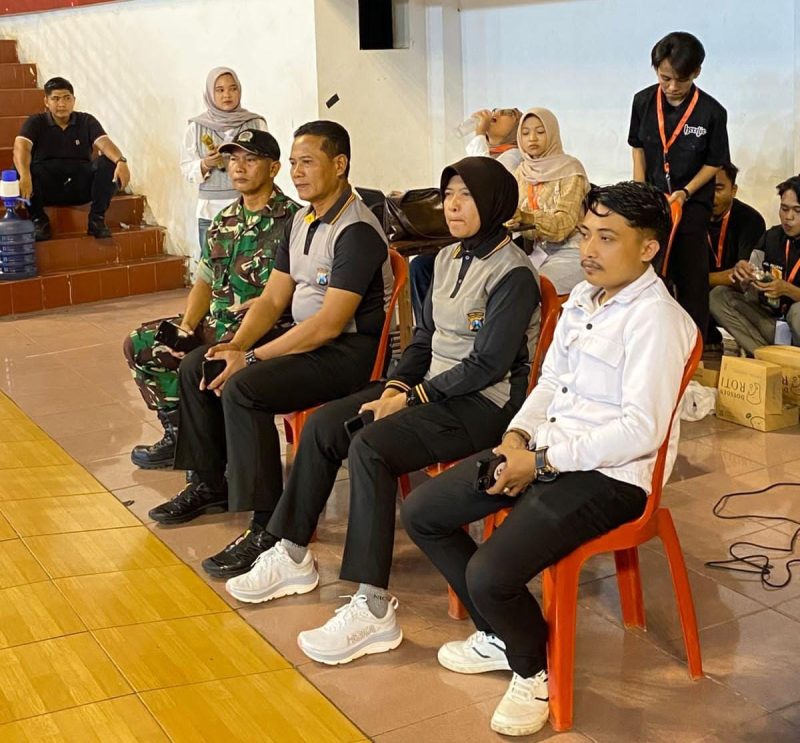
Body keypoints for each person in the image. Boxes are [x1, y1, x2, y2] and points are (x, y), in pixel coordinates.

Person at [401, 181, 696, 737]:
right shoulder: (583, 298)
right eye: (585, 234)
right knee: (424, 511)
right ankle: (503, 634)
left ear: (649, 248)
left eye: (607, 238)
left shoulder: (657, 319)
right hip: (549, 451)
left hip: (612, 477)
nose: (589, 250)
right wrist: (517, 438)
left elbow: (640, 431)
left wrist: (541, 464)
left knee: (490, 572)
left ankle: (532, 671)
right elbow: (550, 383)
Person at [224, 156, 541, 669]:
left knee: (370, 447)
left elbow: (487, 365)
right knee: (327, 425)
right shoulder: (443, 258)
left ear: (496, 202)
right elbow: (423, 341)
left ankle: (373, 607)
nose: (453, 206)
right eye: (449, 195)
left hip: (484, 404)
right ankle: (293, 551)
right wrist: (396, 385)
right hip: (433, 389)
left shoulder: (514, 273)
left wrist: (410, 400)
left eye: (466, 196)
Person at [150, 121, 392, 571]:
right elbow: (273, 298)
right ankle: (210, 484)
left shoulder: (356, 229)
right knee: (200, 364)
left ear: (340, 165)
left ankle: (267, 525)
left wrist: (251, 357)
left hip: (350, 354)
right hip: (308, 341)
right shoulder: (303, 220)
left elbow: (328, 325)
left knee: (245, 388)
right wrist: (235, 345)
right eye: (295, 163)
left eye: (308, 162)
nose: (298, 173)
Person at [124, 130, 298, 469]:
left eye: (251, 159)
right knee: (141, 344)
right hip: (217, 324)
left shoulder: (293, 221)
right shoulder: (224, 220)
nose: (239, 168)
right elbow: (205, 280)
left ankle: (212, 457)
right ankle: (179, 436)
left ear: (274, 168)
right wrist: (188, 327)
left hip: (263, 331)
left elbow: (302, 291)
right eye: (233, 159)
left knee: (200, 362)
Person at [629, 31, 730, 337]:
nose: (672, 87)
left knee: (690, 277)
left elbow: (714, 162)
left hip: (691, 201)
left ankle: (692, 345)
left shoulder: (712, 112)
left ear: (696, 72)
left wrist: (685, 192)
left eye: (681, 80)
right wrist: (639, 192)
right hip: (654, 200)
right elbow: (638, 148)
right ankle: (646, 337)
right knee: (645, 271)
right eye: (665, 78)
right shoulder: (643, 101)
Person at [410, 107, 523, 321]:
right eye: (448, 194)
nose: (494, 114)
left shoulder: (514, 156)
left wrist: (479, 133)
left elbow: (483, 183)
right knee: (421, 265)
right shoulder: (489, 152)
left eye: (506, 112)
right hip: (470, 241)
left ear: (517, 126)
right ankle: (428, 325)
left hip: (498, 241)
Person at [13, 76, 130, 241]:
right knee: (20, 166)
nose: (62, 104)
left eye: (67, 98)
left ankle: (96, 220)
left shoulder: (86, 121)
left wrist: (121, 161)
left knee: (108, 162)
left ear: (74, 100)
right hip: (45, 189)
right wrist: (25, 176)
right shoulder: (35, 122)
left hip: (79, 186)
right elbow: (21, 147)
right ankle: (39, 220)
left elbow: (104, 143)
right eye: (55, 99)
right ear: (46, 101)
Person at [180, 67, 268, 264]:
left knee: (248, 264)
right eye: (219, 90)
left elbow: (266, 162)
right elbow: (186, 168)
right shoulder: (196, 127)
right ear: (210, 94)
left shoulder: (255, 124)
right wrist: (205, 164)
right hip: (211, 210)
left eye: (232, 89)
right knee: (211, 267)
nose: (227, 95)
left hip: (250, 208)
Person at [710, 175, 800, 355]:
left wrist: (788, 290)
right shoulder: (771, 237)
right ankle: (766, 357)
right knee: (718, 296)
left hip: (797, 322)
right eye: (784, 209)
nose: (788, 217)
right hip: (774, 323)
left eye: (797, 211)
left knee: (797, 311)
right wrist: (744, 275)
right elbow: (748, 283)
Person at [511, 107, 590, 294]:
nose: (532, 138)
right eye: (525, 133)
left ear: (553, 133)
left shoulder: (570, 169)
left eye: (540, 132)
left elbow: (564, 224)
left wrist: (526, 217)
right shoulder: (521, 172)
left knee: (529, 287)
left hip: (572, 250)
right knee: (500, 282)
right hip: (536, 251)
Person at [706, 162, 765, 347]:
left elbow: (742, 278)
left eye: (718, 189)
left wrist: (699, 280)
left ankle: (760, 351)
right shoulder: (690, 218)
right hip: (697, 293)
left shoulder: (750, 219)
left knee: (718, 294)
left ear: (733, 190)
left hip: (734, 294)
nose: (711, 196)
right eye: (706, 189)